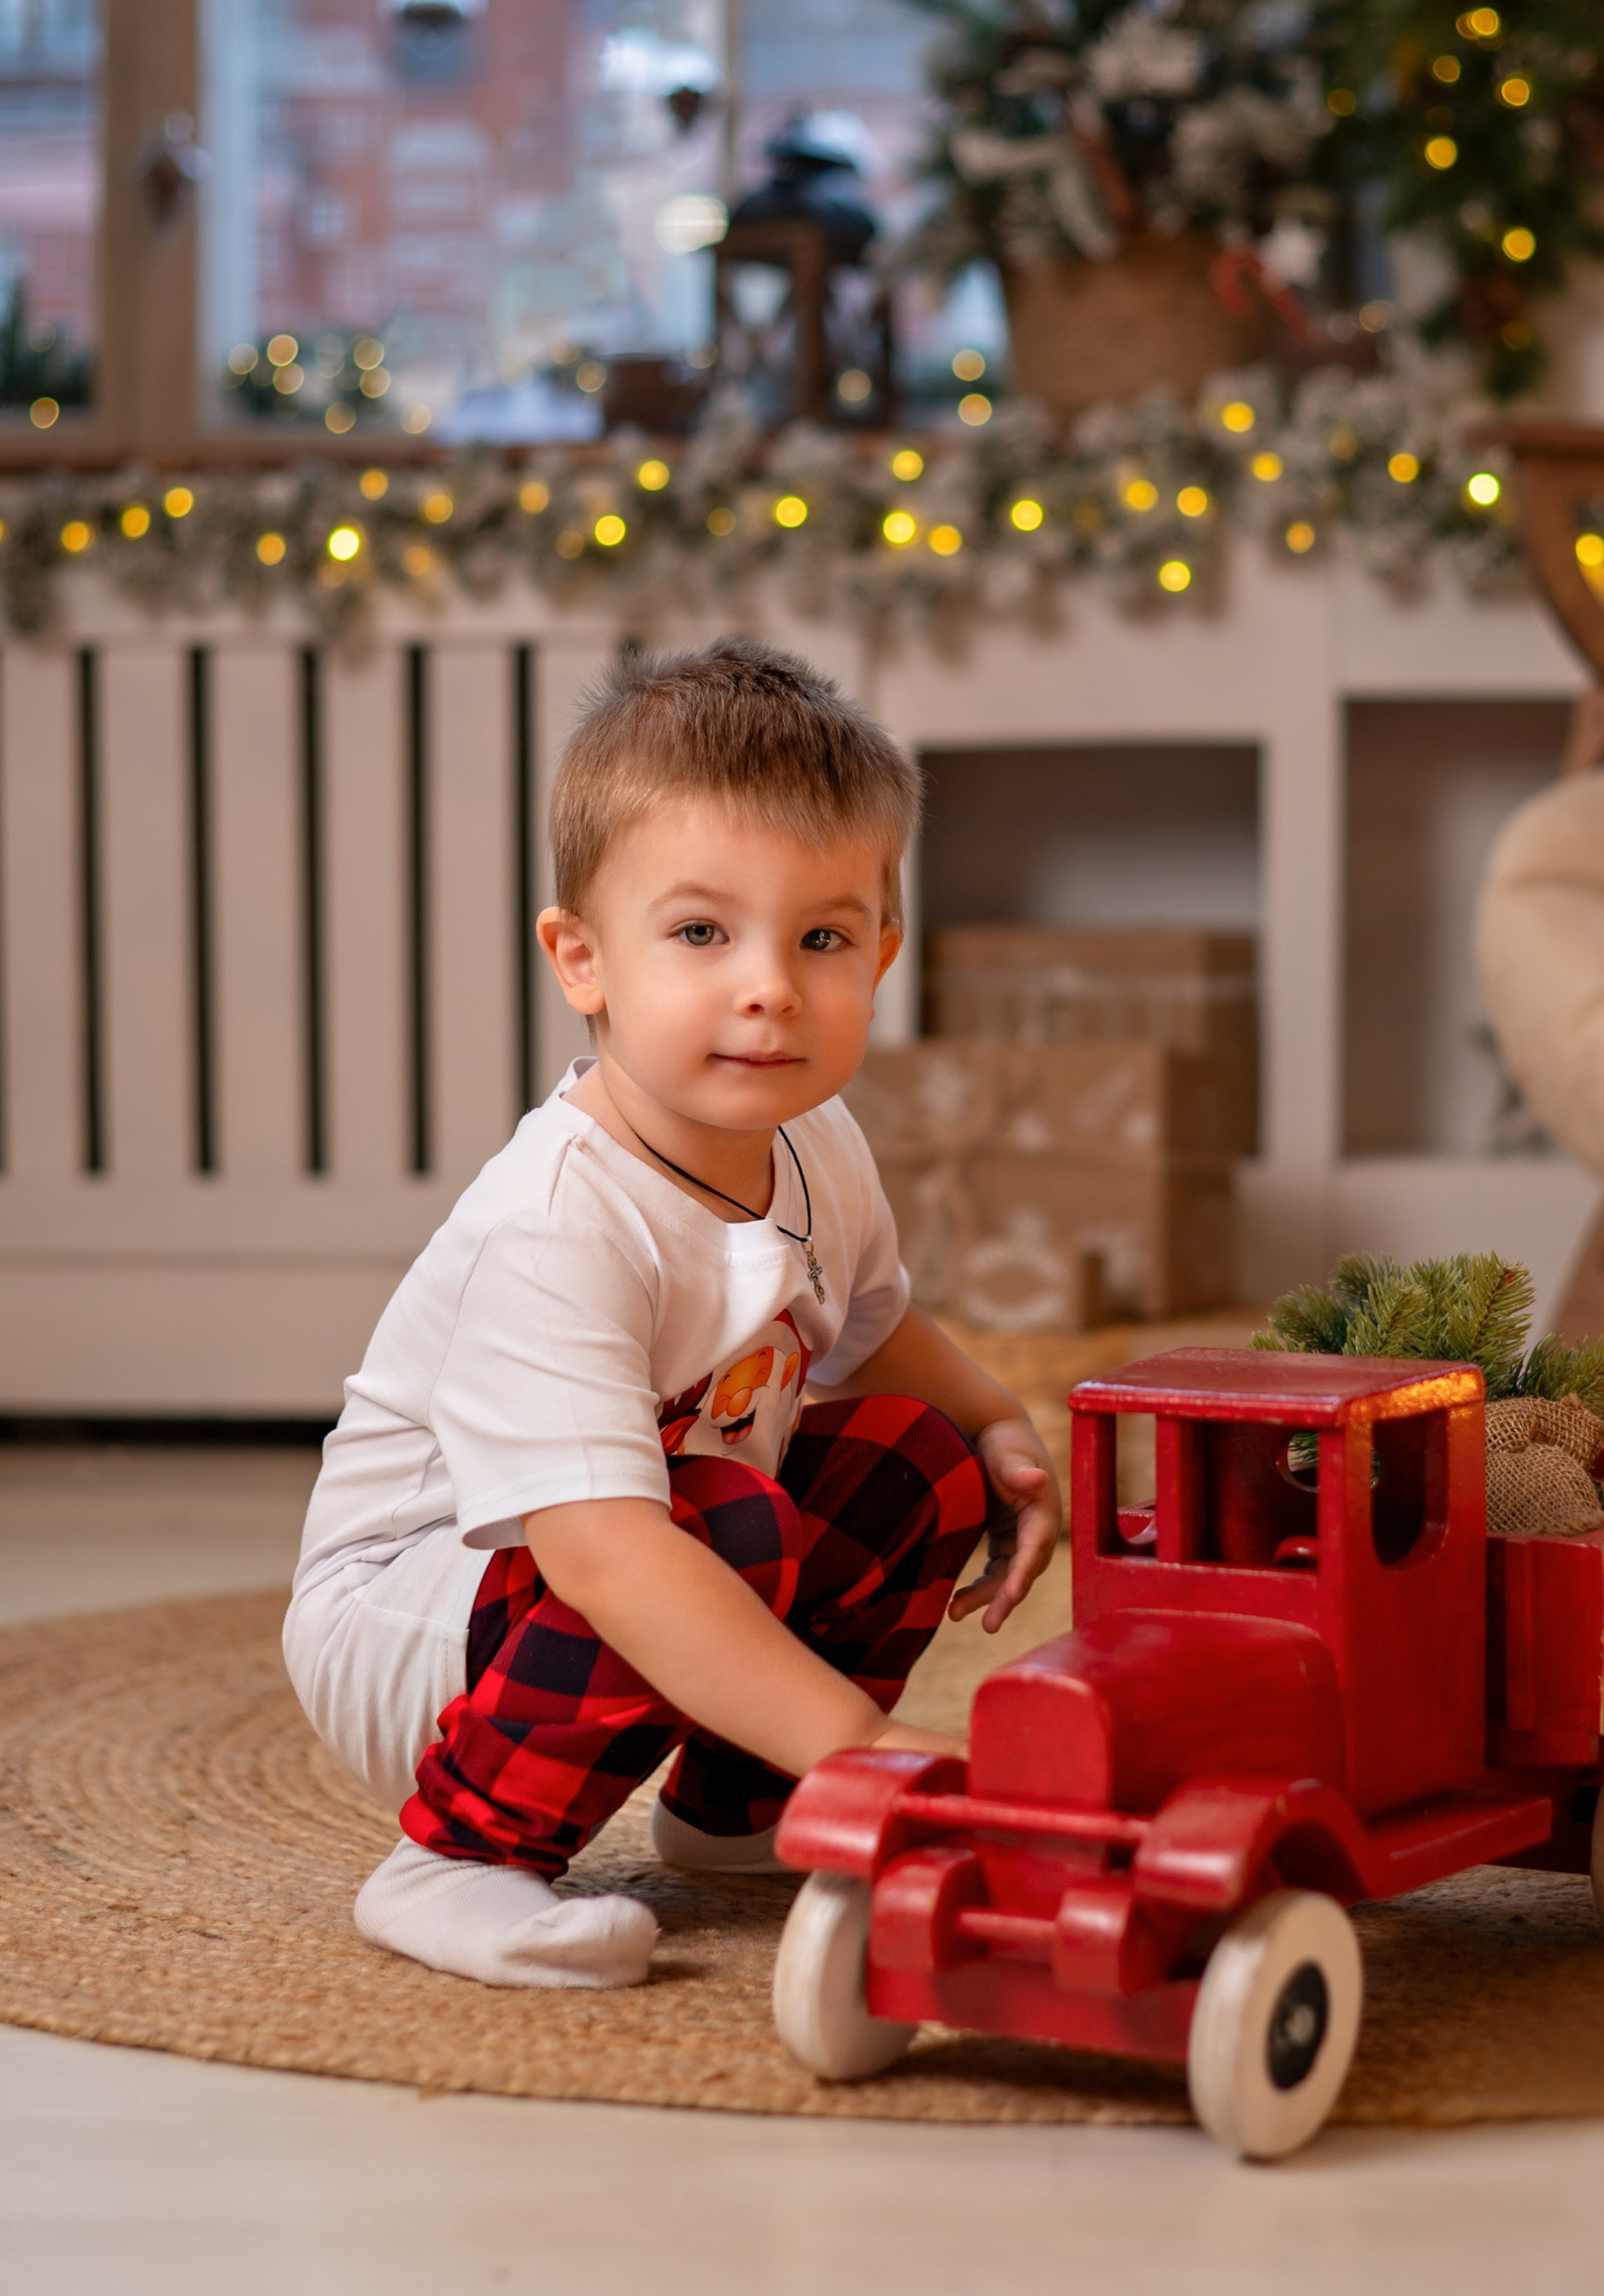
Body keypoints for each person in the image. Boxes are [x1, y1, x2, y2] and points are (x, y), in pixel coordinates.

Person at [284, 637, 1060, 1992]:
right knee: (711, 1519)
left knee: (913, 1460)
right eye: (702, 933)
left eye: (822, 938)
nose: (770, 987)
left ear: (882, 954)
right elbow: (606, 1556)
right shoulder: (559, 1219)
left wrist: (997, 1426)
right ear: (583, 959)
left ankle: (741, 1806)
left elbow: (874, 1334)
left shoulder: (816, 1140)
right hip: (419, 1618)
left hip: (649, 1534)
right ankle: (456, 1856)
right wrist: (865, 1751)